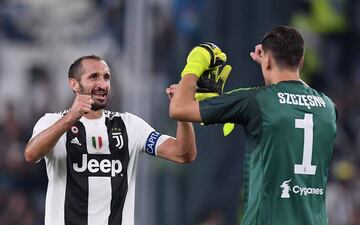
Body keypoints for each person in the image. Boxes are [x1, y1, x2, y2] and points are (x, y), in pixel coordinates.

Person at [168, 26, 337, 225]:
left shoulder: (257, 101)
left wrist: (196, 63)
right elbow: (295, 96)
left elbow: (178, 108)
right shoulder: (328, 106)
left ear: (267, 60)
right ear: (301, 61)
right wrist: (269, 62)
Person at [24, 55, 197, 225]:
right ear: (74, 84)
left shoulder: (130, 126)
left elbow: (183, 153)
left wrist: (181, 112)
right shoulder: (52, 122)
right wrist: (70, 118)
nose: (102, 84)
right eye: (94, 77)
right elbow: (31, 154)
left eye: (106, 77)